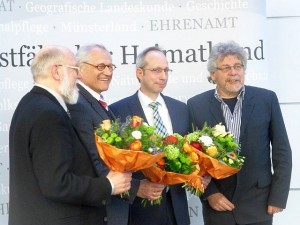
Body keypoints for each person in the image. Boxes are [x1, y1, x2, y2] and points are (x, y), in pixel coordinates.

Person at [9, 45, 132, 225]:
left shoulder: (30, 103)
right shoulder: (48, 114)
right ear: (56, 72)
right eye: (75, 69)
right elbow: (57, 184)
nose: (78, 76)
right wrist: (109, 185)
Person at [187, 40, 292, 225]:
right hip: (219, 205)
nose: (233, 72)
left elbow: (282, 151)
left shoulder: (266, 99)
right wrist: (210, 194)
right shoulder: (196, 105)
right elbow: (191, 156)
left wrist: (278, 197)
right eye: (226, 68)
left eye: (238, 66)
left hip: (259, 203)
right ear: (213, 74)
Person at [110, 46, 210, 225]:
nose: (163, 76)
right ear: (140, 72)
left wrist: (198, 175)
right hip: (139, 211)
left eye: (166, 70)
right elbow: (110, 164)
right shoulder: (118, 111)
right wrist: (136, 188)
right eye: (156, 70)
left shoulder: (181, 109)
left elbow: (190, 154)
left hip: (177, 208)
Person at [67, 43, 140, 225]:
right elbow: (92, 157)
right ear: (79, 69)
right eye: (100, 66)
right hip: (100, 208)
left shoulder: (94, 101)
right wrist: (133, 188)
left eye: (110, 67)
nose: (108, 72)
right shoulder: (78, 104)